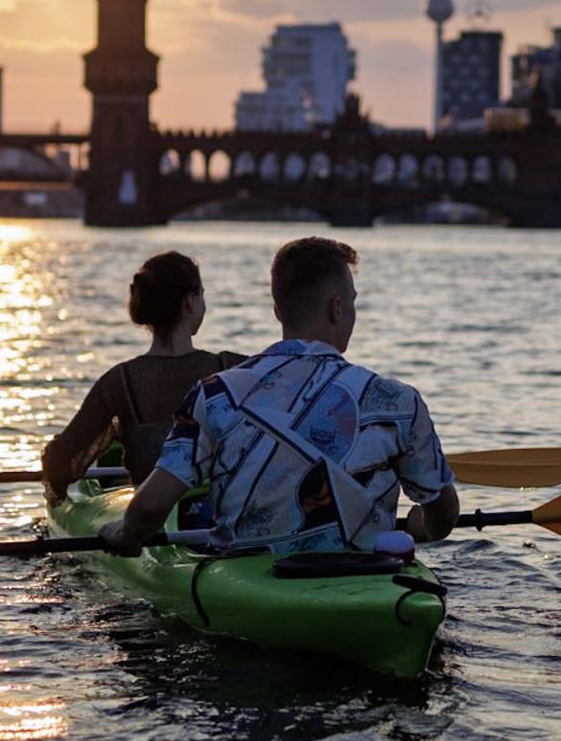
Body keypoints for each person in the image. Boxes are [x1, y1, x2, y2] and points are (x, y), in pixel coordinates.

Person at [100, 236, 459, 557]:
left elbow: (150, 508)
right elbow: (444, 513)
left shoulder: (216, 394)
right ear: (336, 308)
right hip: (368, 580)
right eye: (352, 303)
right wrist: (422, 527)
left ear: (277, 311)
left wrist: (124, 536)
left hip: (249, 584)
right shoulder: (398, 402)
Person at [40, 252, 240, 504]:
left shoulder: (119, 381)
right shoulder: (231, 368)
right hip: (220, 515)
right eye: (201, 294)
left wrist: (55, 489)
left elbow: (63, 457)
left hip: (150, 516)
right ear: (190, 301)